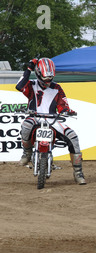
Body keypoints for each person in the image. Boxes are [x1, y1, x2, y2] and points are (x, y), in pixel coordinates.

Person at [15, 57, 87, 185]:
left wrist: (65, 110)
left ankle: (78, 173)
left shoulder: (57, 88)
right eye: (45, 78)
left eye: (50, 78)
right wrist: (29, 69)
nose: (48, 81)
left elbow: (63, 104)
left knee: (73, 137)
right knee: (26, 125)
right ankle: (27, 153)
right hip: (34, 117)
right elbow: (19, 86)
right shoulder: (31, 85)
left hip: (53, 119)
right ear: (38, 74)